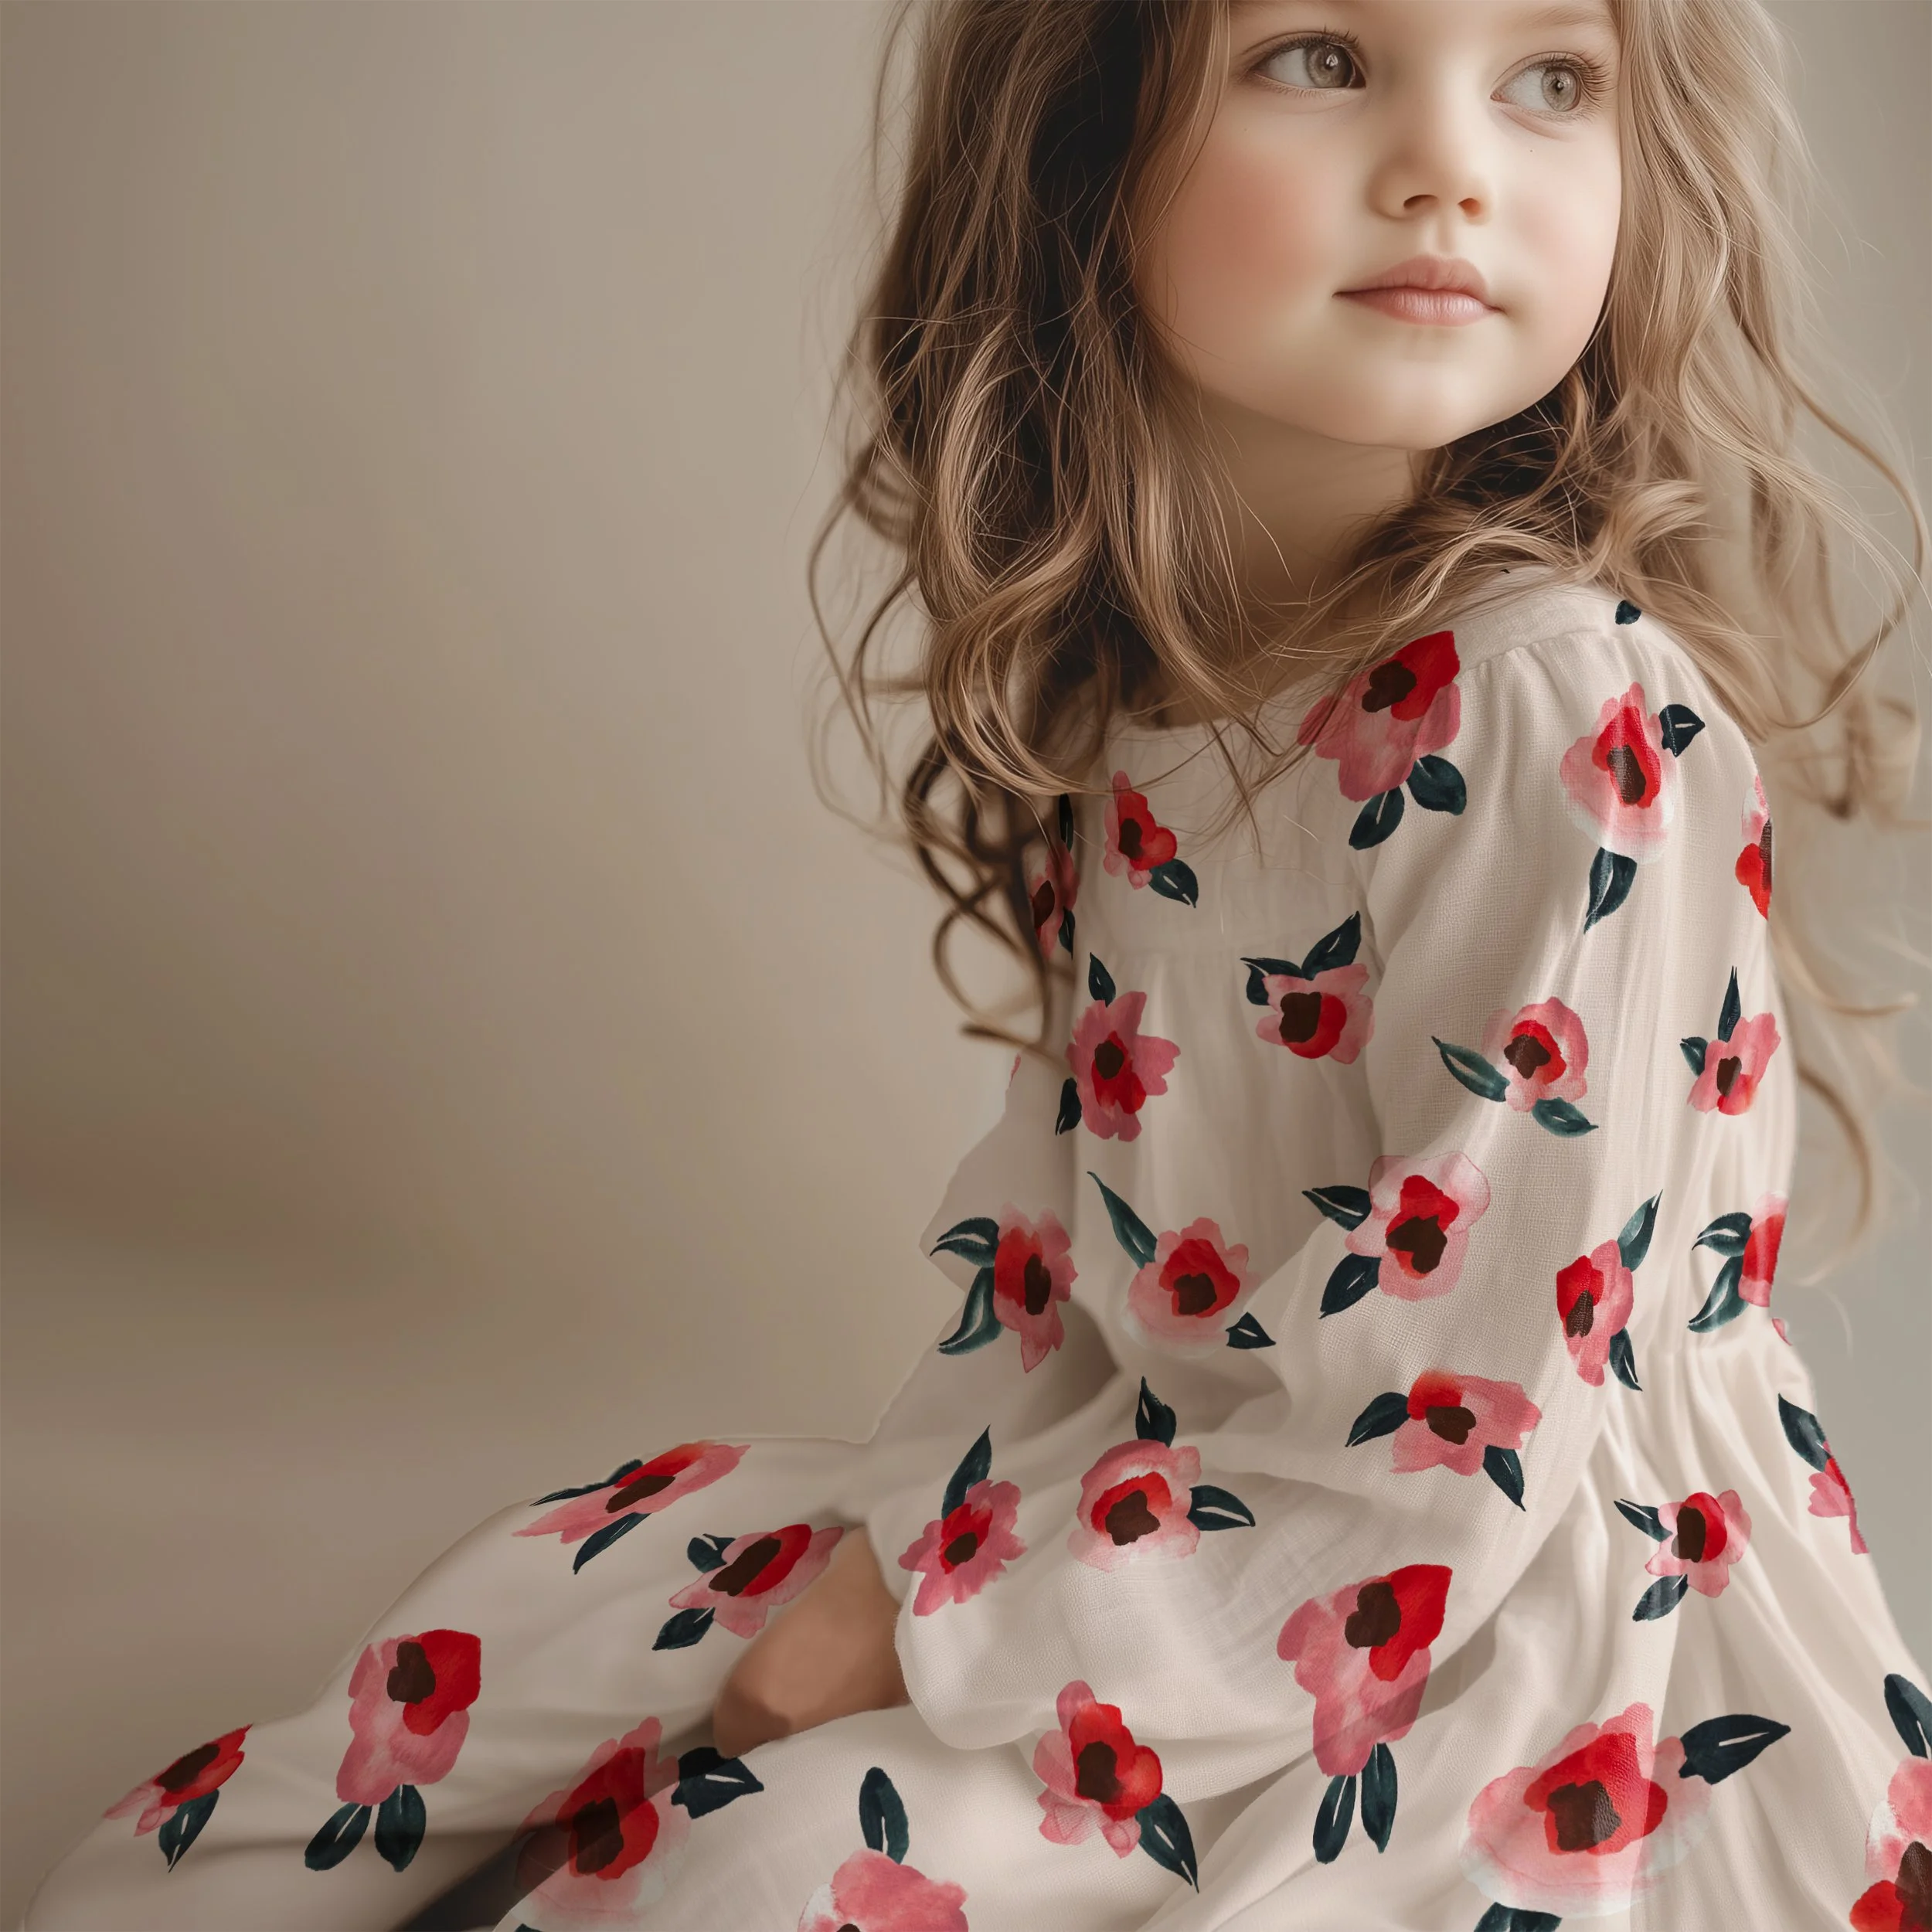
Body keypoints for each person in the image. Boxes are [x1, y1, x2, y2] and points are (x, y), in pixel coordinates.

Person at [22, 0, 1929, 1927]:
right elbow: (1067, 1283)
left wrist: (940, 1638)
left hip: (1484, 1623)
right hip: (1152, 1518)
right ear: (1091, 147)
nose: (1452, 163)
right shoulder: (1174, 710)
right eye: (1319, 58)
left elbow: (1452, 1443)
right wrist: (873, 1572)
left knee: (756, 1867)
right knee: (530, 1625)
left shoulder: (1561, 716)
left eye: (1548, 82)